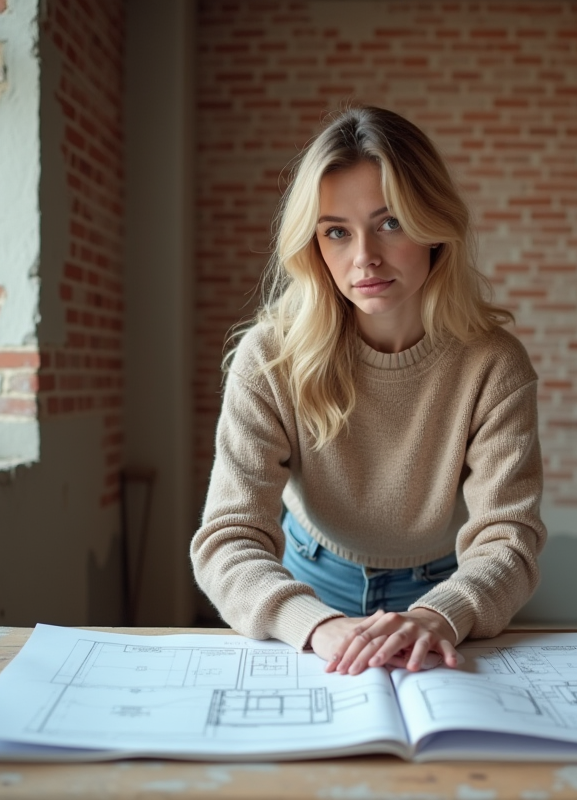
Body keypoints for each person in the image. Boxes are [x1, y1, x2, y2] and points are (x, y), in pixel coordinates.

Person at [191, 106, 546, 677]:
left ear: (435, 228)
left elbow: (510, 537)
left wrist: (441, 614)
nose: (364, 259)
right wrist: (317, 626)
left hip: (444, 591)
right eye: (336, 231)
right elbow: (227, 540)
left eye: (391, 223)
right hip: (306, 590)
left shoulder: (494, 364)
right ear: (313, 244)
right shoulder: (270, 357)